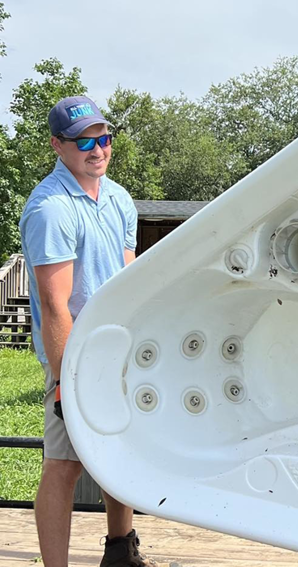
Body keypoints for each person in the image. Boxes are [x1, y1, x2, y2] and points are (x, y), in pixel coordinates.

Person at [19, 96, 157, 567]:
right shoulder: (51, 209)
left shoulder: (118, 198)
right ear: (59, 146)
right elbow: (55, 305)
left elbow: (128, 281)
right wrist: (62, 381)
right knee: (64, 465)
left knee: (119, 451)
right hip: (73, 355)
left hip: (114, 350)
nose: (97, 149)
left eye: (104, 138)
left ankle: (121, 550)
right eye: (83, 142)